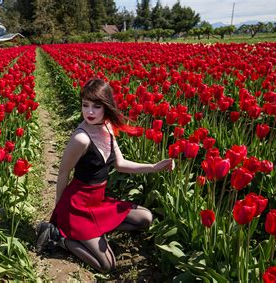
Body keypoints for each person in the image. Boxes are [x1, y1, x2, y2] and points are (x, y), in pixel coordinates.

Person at [36, 78, 175, 273]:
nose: (89, 112)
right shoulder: (81, 139)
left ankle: (94, 232)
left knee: (145, 218)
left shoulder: (107, 127)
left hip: (97, 202)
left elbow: (120, 164)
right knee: (107, 265)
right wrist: (58, 213)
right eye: (85, 105)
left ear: (106, 107)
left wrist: (154, 166)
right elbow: (63, 173)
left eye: (96, 106)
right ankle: (60, 239)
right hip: (76, 207)